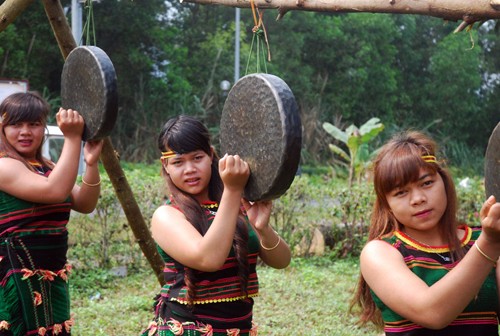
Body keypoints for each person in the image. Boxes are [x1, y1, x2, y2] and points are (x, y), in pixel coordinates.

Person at [140, 115, 291, 336]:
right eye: (178, 162)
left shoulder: (235, 205)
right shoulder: (166, 215)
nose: (190, 169)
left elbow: (282, 261)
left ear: (211, 155)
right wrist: (233, 190)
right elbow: (207, 259)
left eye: (197, 158)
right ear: (166, 165)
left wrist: (263, 228)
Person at [351, 130, 500, 335]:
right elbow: (432, 313)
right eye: (401, 192)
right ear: (388, 204)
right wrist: (489, 243)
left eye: (427, 183)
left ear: (444, 182)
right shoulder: (380, 252)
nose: (418, 198)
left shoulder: (482, 238)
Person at [0, 92, 103, 336]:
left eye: (34, 124)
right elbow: (55, 190)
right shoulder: (4, 165)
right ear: (2, 128)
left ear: (43, 128)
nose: (25, 131)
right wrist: (73, 138)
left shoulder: (46, 166)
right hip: (15, 277)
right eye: (16, 124)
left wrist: (90, 164)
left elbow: (85, 203)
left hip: (51, 275)